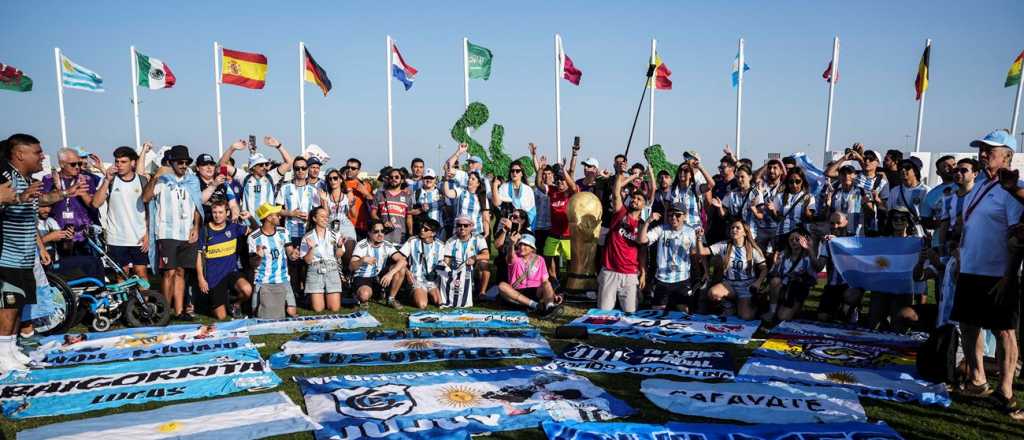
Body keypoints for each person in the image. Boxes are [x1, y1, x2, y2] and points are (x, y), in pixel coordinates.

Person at [952, 130, 1024, 419]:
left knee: (1004, 331)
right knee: (969, 325)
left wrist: (1009, 274)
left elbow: (1019, 237)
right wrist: (961, 260)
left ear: (1007, 156)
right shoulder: (980, 184)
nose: (983, 155)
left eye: (989, 151)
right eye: (981, 149)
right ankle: (978, 379)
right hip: (971, 268)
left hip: (997, 273)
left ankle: (1005, 391)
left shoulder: (1013, 191)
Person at [0, 134, 52, 372]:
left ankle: (11, 349)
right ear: (20, 154)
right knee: (7, 307)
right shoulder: (6, 176)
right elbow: (9, 201)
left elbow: (34, 204)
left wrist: (66, 194)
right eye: (38, 152)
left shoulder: (25, 178)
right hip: (7, 255)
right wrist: (19, 197)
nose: (42, 156)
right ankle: (2, 355)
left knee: (18, 306)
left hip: (24, 256)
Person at [142, 145, 202, 320]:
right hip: (167, 233)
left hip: (186, 233)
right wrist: (155, 177)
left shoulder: (192, 180)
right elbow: (145, 198)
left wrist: (196, 226)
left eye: (186, 162)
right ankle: (164, 311)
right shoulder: (162, 180)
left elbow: (197, 206)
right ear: (171, 163)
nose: (184, 165)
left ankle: (179, 310)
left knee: (182, 272)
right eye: (180, 162)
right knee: (169, 272)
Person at [91, 145, 150, 279]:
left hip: (139, 238)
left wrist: (148, 234)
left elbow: (148, 210)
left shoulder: (142, 180)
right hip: (116, 238)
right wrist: (107, 180)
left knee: (142, 274)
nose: (119, 165)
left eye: (123, 162)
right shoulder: (109, 180)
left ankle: (145, 301)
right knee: (121, 275)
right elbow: (95, 203)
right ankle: (124, 301)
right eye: (117, 161)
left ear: (133, 163)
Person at [596, 169, 646, 313]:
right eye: (634, 198)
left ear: (644, 205)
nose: (635, 201)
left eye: (639, 199)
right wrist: (619, 173)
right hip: (610, 270)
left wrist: (643, 272)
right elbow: (616, 192)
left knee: (631, 313)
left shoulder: (643, 225)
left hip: (630, 274)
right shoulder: (620, 213)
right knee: (603, 313)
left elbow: (642, 251)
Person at [700, 220, 768, 320]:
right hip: (729, 284)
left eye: (737, 228)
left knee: (746, 317)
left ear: (745, 232)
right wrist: (698, 238)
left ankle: (751, 305)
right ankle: (729, 306)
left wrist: (758, 282)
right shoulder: (724, 245)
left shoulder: (753, 249)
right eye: (732, 228)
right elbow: (702, 251)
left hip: (746, 286)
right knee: (713, 293)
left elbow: (764, 269)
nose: (734, 230)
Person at [196, 200, 252, 319]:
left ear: (227, 213)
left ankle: (235, 304)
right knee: (221, 317)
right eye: (214, 212)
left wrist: (250, 218)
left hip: (231, 272)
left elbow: (256, 232)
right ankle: (214, 301)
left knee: (247, 289)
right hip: (214, 277)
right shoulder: (205, 230)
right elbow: (198, 256)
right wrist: (201, 279)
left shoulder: (233, 227)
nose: (217, 215)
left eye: (221, 212)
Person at [639, 203, 700, 312]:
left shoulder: (690, 231)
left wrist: (697, 274)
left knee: (683, 314)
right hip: (662, 279)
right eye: (670, 215)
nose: (673, 218)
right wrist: (648, 221)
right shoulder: (661, 229)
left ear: (685, 216)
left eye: (677, 215)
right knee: (657, 314)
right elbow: (642, 240)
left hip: (682, 279)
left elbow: (694, 255)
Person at [220, 136, 293, 227]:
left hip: (268, 224)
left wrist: (278, 146)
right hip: (248, 225)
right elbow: (222, 165)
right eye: (261, 165)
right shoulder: (245, 177)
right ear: (253, 167)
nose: (264, 167)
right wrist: (232, 148)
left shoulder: (271, 177)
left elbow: (289, 163)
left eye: (265, 164)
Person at [41, 147, 100, 256]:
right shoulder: (49, 179)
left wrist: (84, 194)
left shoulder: (86, 179)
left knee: (88, 268)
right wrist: (57, 190)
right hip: (58, 234)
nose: (78, 167)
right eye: (73, 164)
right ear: (62, 164)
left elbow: (94, 205)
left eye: (79, 163)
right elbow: (42, 203)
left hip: (83, 235)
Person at [247, 203, 298, 319]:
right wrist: (258, 256)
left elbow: (290, 253)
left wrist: (293, 254)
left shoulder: (283, 232)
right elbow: (252, 264)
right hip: (262, 280)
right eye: (277, 215)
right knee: (256, 314)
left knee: (291, 312)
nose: (280, 217)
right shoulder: (254, 237)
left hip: (282, 278)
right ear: (269, 218)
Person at [497, 233, 563, 317]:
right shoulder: (514, 256)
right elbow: (510, 257)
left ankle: (549, 308)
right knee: (502, 286)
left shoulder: (539, 259)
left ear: (532, 248)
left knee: (547, 283)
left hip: (536, 291)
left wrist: (553, 295)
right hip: (516, 292)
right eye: (520, 244)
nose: (521, 247)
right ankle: (536, 306)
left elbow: (545, 281)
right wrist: (511, 244)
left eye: (525, 245)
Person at [763, 228, 820, 323]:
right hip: (782, 289)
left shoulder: (808, 258)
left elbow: (814, 278)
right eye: (791, 240)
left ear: (803, 241)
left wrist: (799, 278)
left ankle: (796, 307)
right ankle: (772, 310)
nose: (794, 242)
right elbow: (771, 275)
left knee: (783, 317)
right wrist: (776, 267)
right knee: (775, 281)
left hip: (796, 291)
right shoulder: (782, 255)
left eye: (797, 239)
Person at [350, 219, 406, 308]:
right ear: (369, 233)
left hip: (379, 277)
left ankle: (391, 299)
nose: (380, 234)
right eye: (376, 232)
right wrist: (362, 260)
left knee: (401, 268)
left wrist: (390, 274)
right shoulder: (362, 245)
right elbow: (351, 267)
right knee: (364, 295)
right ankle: (359, 294)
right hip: (364, 277)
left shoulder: (387, 244)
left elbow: (403, 260)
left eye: (382, 231)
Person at [542, 154, 579, 281]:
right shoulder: (552, 190)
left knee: (570, 260)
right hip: (554, 233)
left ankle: (569, 280)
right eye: (558, 180)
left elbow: (573, 186)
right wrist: (541, 169)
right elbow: (538, 184)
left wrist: (564, 171)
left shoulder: (570, 193)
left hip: (568, 234)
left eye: (562, 180)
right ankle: (554, 279)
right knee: (547, 255)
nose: (560, 182)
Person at [301, 206, 345, 312]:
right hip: (314, 270)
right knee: (318, 309)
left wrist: (339, 246)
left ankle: (322, 296)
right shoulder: (307, 236)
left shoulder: (335, 234)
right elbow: (307, 261)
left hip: (332, 268)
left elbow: (339, 255)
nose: (326, 219)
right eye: (322, 216)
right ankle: (312, 297)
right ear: (314, 219)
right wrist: (311, 249)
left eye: (327, 216)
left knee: (334, 308)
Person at [765, 167, 815, 257]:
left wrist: (806, 210)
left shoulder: (808, 197)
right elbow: (777, 218)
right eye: (791, 182)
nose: (794, 185)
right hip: (782, 235)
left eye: (797, 181)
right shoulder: (780, 197)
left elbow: (810, 218)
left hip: (797, 236)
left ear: (802, 181)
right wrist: (772, 210)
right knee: (779, 263)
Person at [442, 215, 491, 307]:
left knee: (484, 264)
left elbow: (487, 255)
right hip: (457, 269)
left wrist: (474, 258)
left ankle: (482, 293)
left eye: (465, 225)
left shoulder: (479, 238)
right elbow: (446, 261)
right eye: (459, 225)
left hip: (473, 266)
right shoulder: (450, 241)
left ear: (471, 226)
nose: (462, 228)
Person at [399, 218, 446, 309]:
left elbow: (441, 264)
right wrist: (407, 272)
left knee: (440, 303)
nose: (422, 230)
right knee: (422, 304)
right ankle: (414, 293)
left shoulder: (440, 245)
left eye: (426, 229)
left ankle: (426, 293)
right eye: (422, 227)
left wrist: (436, 273)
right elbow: (400, 259)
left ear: (433, 233)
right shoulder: (412, 241)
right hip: (416, 279)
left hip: (431, 281)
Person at [713, 165, 763, 239]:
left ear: (750, 177)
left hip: (750, 234)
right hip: (734, 233)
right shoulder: (731, 193)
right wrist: (720, 207)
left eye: (742, 177)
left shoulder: (756, 193)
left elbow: (761, 216)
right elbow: (723, 215)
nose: (739, 180)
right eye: (737, 177)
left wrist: (754, 210)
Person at [319, 168, 357, 266]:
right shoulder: (325, 195)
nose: (332, 181)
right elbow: (326, 215)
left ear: (340, 179)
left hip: (345, 225)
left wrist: (352, 205)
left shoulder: (347, 194)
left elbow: (353, 214)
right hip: (330, 225)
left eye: (335, 178)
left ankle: (348, 275)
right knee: (333, 255)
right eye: (330, 179)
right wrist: (324, 201)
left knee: (348, 251)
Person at [821, 165, 872, 236]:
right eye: (843, 174)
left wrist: (866, 203)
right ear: (839, 176)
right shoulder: (834, 192)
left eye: (849, 173)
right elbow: (827, 215)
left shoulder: (861, 191)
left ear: (855, 175)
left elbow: (871, 212)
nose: (846, 176)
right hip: (837, 233)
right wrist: (827, 205)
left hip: (856, 234)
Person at [886, 157, 930, 239]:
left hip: (919, 236)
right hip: (899, 236)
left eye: (907, 167)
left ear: (916, 171)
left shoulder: (926, 191)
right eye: (900, 168)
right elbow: (890, 211)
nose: (903, 170)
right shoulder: (895, 191)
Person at [371, 167, 413, 244]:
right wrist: (382, 222)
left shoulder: (407, 197)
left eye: (397, 177)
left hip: (400, 238)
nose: (394, 179)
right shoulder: (380, 194)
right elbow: (373, 214)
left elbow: (409, 217)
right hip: (382, 238)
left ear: (402, 180)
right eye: (391, 177)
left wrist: (410, 234)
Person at [193, 152, 239, 220]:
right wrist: (214, 185)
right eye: (204, 164)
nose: (209, 167)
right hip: (203, 225)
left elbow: (233, 204)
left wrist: (235, 214)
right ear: (197, 168)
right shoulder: (193, 182)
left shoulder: (224, 183)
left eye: (211, 164)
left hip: (222, 225)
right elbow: (198, 201)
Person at [494, 159, 537, 230]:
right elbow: (497, 203)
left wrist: (525, 225)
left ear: (522, 173)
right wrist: (494, 186)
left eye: (517, 171)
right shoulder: (504, 187)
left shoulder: (528, 190)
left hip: (524, 226)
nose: (515, 173)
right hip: (507, 224)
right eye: (512, 171)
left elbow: (532, 211)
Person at [409, 168, 446, 240]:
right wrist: (420, 209)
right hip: (422, 231)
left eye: (431, 178)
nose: (428, 180)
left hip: (439, 231)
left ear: (435, 179)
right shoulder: (416, 193)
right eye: (426, 178)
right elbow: (409, 211)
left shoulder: (441, 192)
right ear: (422, 179)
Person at [342, 158, 374, 238]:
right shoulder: (340, 184)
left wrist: (366, 193)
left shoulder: (366, 185)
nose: (349, 170)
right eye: (347, 167)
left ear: (358, 171)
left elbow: (374, 205)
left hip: (362, 226)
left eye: (353, 168)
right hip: (345, 226)